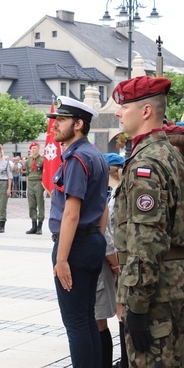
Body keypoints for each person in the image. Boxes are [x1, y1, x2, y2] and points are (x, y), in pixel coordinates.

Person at [112, 76, 184, 367]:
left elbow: (146, 240)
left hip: (156, 295)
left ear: (145, 112)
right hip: (172, 284)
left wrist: (138, 305)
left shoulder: (146, 163)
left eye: (124, 106)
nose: (118, 112)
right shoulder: (170, 153)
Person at [47, 95, 108, 368]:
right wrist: (99, 239)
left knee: (75, 323)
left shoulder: (76, 159)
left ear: (79, 124)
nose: (55, 125)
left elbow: (71, 213)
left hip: (75, 246)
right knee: (86, 318)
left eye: (61, 119)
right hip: (92, 240)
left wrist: (62, 259)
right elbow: (103, 205)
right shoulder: (95, 155)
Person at [97, 153, 123, 368]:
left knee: (117, 314)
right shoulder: (116, 193)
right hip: (118, 259)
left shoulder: (115, 195)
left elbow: (108, 235)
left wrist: (114, 265)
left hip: (115, 260)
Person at [24, 141, 45, 235]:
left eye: (35, 148)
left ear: (38, 148)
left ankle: (40, 226)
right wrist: (28, 186)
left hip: (39, 182)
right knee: (31, 205)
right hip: (31, 183)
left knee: (40, 204)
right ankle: (34, 225)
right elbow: (27, 174)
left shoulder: (43, 160)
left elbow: (45, 173)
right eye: (32, 148)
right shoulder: (28, 161)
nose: (33, 150)